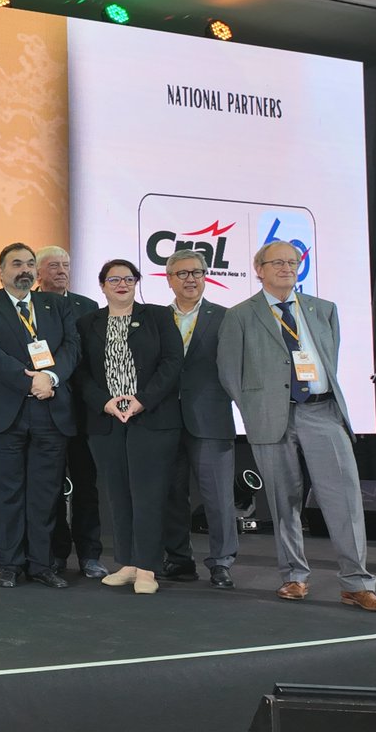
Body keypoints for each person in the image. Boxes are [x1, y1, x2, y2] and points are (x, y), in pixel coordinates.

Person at [217, 241, 376, 612]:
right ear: (258, 269)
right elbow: (229, 372)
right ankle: (294, 576)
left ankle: (356, 583)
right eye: (277, 262)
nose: (287, 268)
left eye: (293, 262)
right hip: (270, 417)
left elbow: (330, 358)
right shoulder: (241, 315)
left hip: (322, 412)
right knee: (283, 501)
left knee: (344, 499)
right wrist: (256, 409)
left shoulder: (323, 310)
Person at [0, 243, 80, 589]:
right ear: (0, 270)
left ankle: (42, 564)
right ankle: (9, 563)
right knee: (7, 493)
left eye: (30, 264)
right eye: (16, 264)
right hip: (5, 413)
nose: (25, 270)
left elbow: (71, 346)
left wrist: (51, 378)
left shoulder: (57, 304)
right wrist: (28, 381)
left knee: (46, 494)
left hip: (51, 410)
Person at [75, 259, 182, 595]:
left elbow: (172, 362)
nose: (121, 284)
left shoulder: (159, 317)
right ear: (102, 285)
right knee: (118, 494)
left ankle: (148, 567)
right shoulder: (87, 323)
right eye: (113, 279)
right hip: (106, 421)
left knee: (148, 495)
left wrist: (142, 400)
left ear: (136, 282)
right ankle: (128, 563)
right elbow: (80, 372)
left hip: (151, 418)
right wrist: (104, 402)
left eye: (128, 278)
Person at [161, 250, 238, 589]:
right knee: (172, 495)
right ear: (169, 279)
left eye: (196, 272)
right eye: (182, 273)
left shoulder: (227, 318)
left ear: (206, 276)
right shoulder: (155, 318)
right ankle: (179, 560)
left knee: (218, 497)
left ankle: (221, 563)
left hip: (210, 419)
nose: (190, 278)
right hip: (163, 421)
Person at [35, 245, 107, 579]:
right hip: (44, 407)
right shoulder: (29, 306)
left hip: (83, 409)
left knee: (86, 485)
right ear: (39, 272)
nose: (61, 270)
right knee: (49, 486)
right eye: (53, 265)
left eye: (65, 264)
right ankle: (55, 553)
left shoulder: (88, 307)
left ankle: (90, 554)